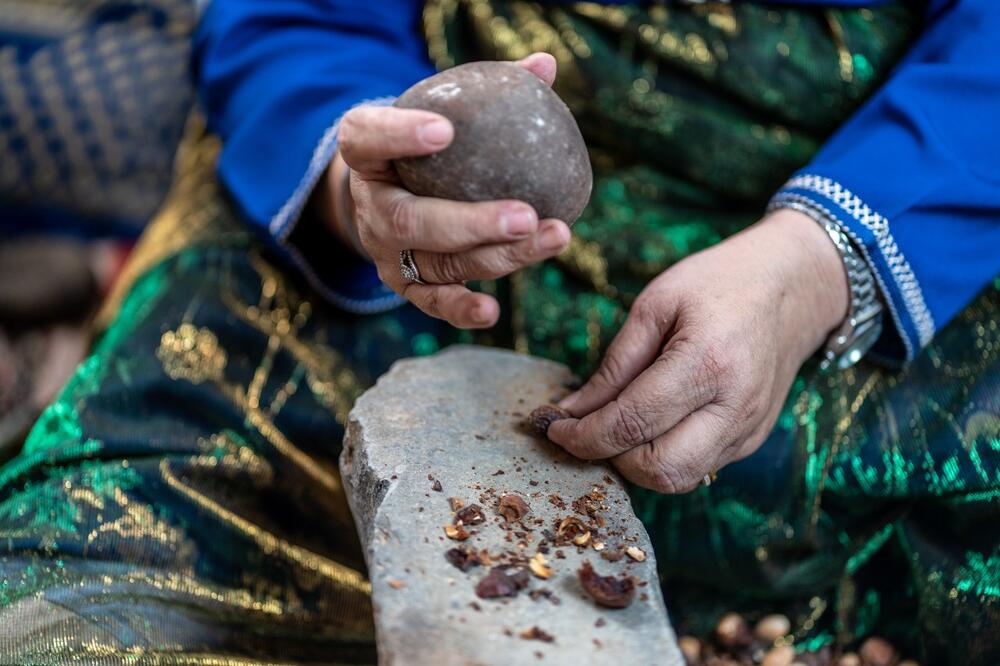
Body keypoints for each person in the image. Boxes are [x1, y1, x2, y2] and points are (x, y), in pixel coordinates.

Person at [1, 1, 998, 663]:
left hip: (889, 195)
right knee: (89, 579)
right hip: (398, 224)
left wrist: (826, 259)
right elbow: (288, 14)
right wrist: (366, 179)